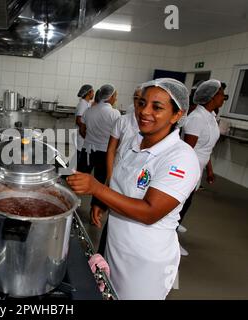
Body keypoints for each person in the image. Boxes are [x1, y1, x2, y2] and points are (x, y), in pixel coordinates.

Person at [67, 78, 200, 299]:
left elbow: (150, 212)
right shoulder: (134, 143)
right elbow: (124, 187)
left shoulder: (181, 157)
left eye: (157, 107)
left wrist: (98, 190)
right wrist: (103, 203)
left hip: (145, 260)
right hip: (116, 245)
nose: (144, 111)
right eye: (141, 103)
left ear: (177, 115)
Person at [177, 79, 227, 255]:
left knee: (185, 204)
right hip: (190, 169)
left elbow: (208, 148)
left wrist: (210, 170)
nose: (224, 98)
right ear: (212, 97)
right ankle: (171, 240)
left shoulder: (211, 117)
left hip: (199, 168)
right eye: (221, 94)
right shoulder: (197, 118)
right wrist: (189, 174)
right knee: (180, 206)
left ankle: (174, 231)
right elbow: (187, 150)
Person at [93, 85, 142, 254]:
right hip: (119, 174)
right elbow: (112, 150)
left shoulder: (151, 125)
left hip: (138, 182)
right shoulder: (123, 120)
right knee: (112, 225)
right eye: (137, 99)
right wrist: (109, 178)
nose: (140, 104)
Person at [81, 84, 121, 227]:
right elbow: (117, 136)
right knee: (99, 183)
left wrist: (91, 138)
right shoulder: (115, 114)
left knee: (79, 178)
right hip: (104, 152)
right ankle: (94, 214)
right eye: (115, 95)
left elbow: (82, 129)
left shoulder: (90, 110)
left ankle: (69, 206)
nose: (116, 98)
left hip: (87, 150)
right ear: (110, 97)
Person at [75, 84, 94, 172]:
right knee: (78, 157)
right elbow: (79, 120)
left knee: (80, 157)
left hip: (83, 134)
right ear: (89, 92)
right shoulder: (83, 103)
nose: (93, 94)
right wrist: (84, 133)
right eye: (92, 91)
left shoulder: (86, 103)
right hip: (80, 135)